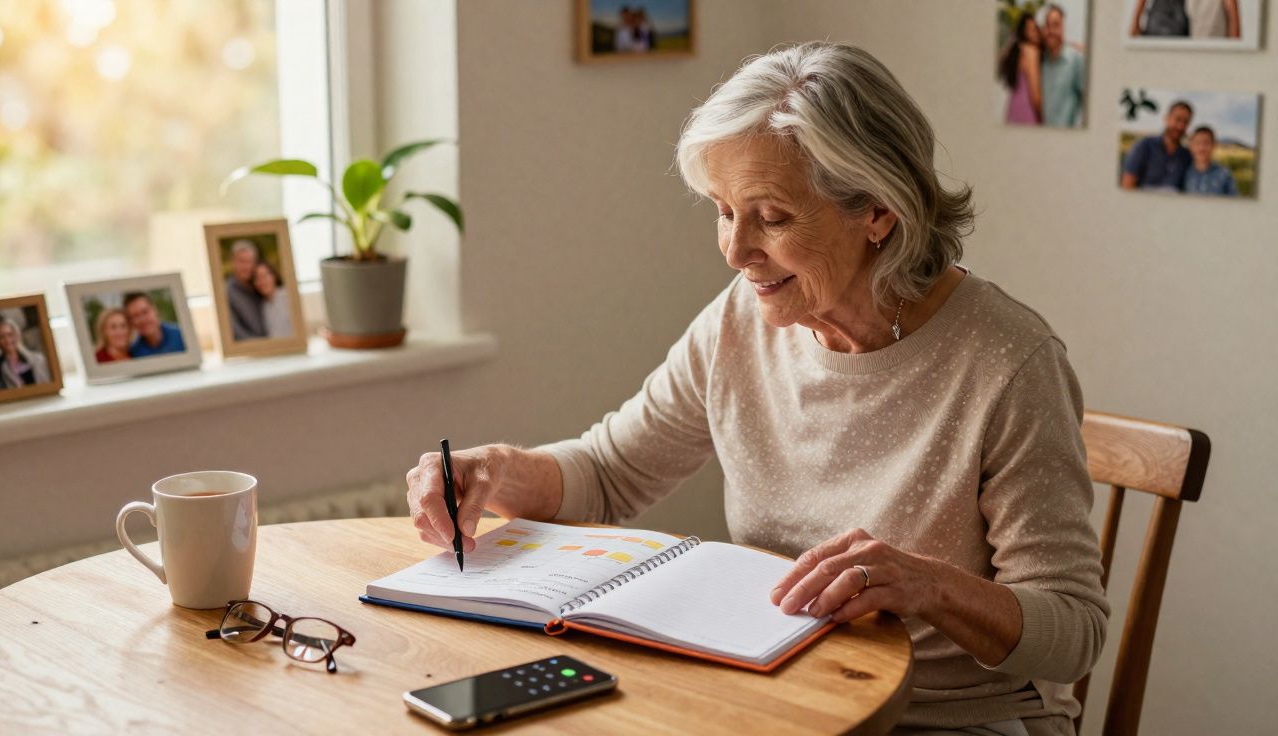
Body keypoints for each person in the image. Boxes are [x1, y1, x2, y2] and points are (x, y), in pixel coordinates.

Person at [406, 42, 1108, 735]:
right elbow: (608, 474)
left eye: (771, 217)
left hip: (950, 718)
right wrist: (492, 470)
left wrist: (928, 585)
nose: (736, 251)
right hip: (779, 699)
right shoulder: (743, 321)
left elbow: (1072, 631)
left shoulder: (1009, 361)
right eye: (721, 209)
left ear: (879, 212)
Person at [1121, 100, 1193, 191]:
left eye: (1186, 122)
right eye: (1178, 119)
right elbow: (1127, 183)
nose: (1180, 126)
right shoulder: (1144, 146)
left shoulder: (1187, 156)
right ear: (1167, 118)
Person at [1040, 4, 1085, 128]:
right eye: (1048, 25)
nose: (1051, 31)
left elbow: (1087, 101)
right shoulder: (1041, 61)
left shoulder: (1077, 59)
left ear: (1063, 27)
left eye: (1056, 25)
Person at [999, 14, 1043, 125]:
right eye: (1031, 29)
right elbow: (1035, 94)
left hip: (1012, 112)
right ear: (1024, 33)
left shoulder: (1018, 51)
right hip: (1028, 113)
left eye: (1036, 28)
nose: (1036, 32)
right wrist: (1043, 117)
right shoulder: (1031, 51)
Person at [226, 239, 267, 341]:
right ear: (233, 262)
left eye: (250, 262)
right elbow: (235, 330)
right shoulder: (227, 291)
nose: (246, 266)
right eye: (242, 261)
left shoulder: (261, 285)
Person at [124, 292, 186, 357]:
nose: (142, 320)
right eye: (135, 316)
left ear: (155, 310)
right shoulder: (134, 353)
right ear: (131, 322)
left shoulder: (182, 335)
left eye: (145, 312)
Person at [1183, 126, 1238, 196]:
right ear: (1190, 146)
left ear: (1214, 145)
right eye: (1197, 143)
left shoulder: (1225, 174)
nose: (1201, 148)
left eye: (1206, 143)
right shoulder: (1185, 173)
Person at [0, 317, 51, 387]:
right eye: (2, 337)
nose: (7, 340)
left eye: (10, 335)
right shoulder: (0, 367)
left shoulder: (38, 359)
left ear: (17, 335)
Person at [252, 261, 294, 339]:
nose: (262, 281)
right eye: (257, 278)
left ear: (274, 276)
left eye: (264, 276)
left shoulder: (289, 297)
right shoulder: (262, 306)